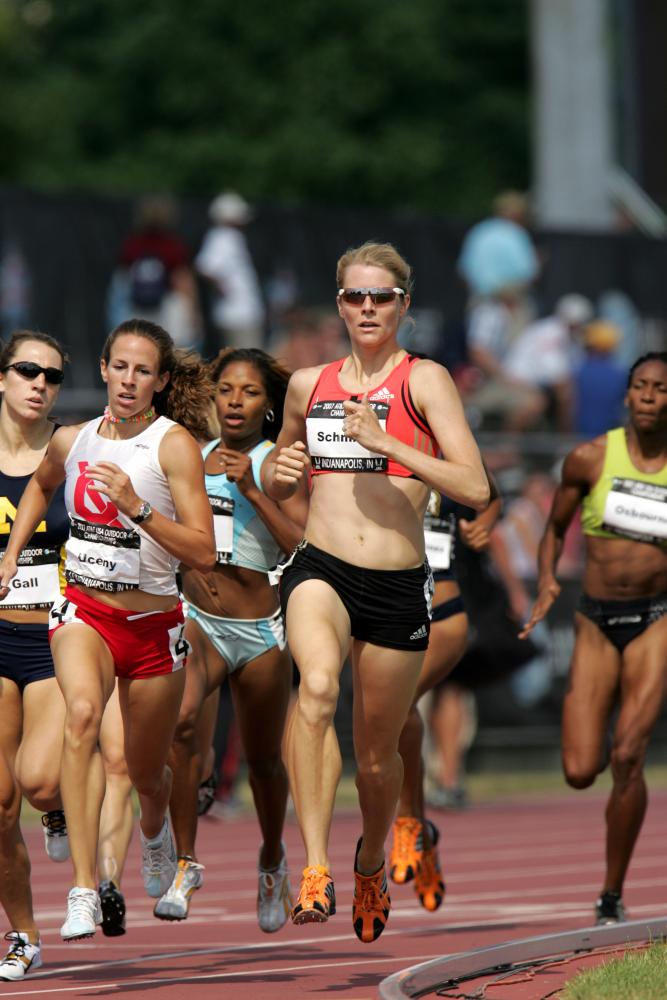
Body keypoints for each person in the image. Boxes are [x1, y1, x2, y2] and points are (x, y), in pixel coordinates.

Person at [262, 241, 489, 943]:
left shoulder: (424, 382)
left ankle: (368, 858)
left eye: (380, 298)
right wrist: (279, 468)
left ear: (402, 306)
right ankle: (315, 867)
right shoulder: (307, 383)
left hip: (395, 582)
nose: (367, 308)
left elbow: (475, 487)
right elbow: (280, 473)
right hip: (320, 566)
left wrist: (390, 444)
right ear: (338, 304)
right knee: (319, 688)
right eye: (355, 297)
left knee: (375, 758)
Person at [0, 318, 216, 942]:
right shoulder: (73, 440)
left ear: (161, 381)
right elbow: (41, 488)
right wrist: (14, 553)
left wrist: (137, 508)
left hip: (151, 624)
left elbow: (201, 552)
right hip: (84, 613)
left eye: (143, 370)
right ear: (102, 370)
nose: (129, 380)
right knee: (83, 717)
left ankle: (155, 836)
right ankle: (82, 891)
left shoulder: (173, 446)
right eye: (119, 366)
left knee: (144, 771)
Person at [157, 347, 307, 932]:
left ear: (268, 404)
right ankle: (186, 862)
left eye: (248, 392)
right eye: (226, 390)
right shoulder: (189, 456)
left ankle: (272, 859)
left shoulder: (276, 464)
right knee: (184, 719)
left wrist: (252, 491)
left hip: (261, 630)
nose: (235, 401)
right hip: (200, 616)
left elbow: (299, 544)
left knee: (266, 761)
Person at [520, 352, 667, 925]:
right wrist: (549, 577)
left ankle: (611, 893)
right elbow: (554, 528)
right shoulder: (588, 459)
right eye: (642, 387)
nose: (651, 396)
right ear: (626, 397)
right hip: (595, 619)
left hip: (656, 616)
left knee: (628, 755)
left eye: (661, 388)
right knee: (581, 770)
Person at [389, 478, 502, 911]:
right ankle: (421, 831)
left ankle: (406, 822)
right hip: (386, 610)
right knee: (383, 730)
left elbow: (490, 493)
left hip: (444, 610)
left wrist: (483, 524)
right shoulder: (374, 447)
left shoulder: (451, 450)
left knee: (399, 706)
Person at [0, 331, 69, 980]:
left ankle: (60, 804)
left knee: (41, 780)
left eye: (50, 375)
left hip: (56, 638)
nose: (38, 383)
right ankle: (22, 934)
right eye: (26, 370)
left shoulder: (73, 450)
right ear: (2, 377)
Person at [195, 192, 265, 350]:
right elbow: (206, 267)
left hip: (240, 313)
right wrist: (224, 288)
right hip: (237, 315)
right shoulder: (222, 237)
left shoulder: (228, 237)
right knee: (249, 362)